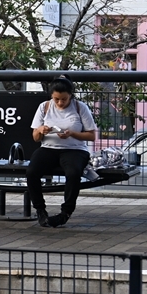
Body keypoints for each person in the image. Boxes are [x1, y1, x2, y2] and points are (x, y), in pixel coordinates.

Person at [27, 75, 97, 228]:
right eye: (56, 99)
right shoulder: (44, 107)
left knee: (73, 173)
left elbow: (91, 136)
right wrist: (41, 130)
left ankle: (66, 212)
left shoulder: (80, 107)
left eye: (64, 99)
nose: (60, 103)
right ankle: (40, 209)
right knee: (32, 171)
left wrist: (72, 134)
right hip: (48, 147)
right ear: (52, 96)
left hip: (74, 149)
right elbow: (35, 137)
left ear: (70, 95)